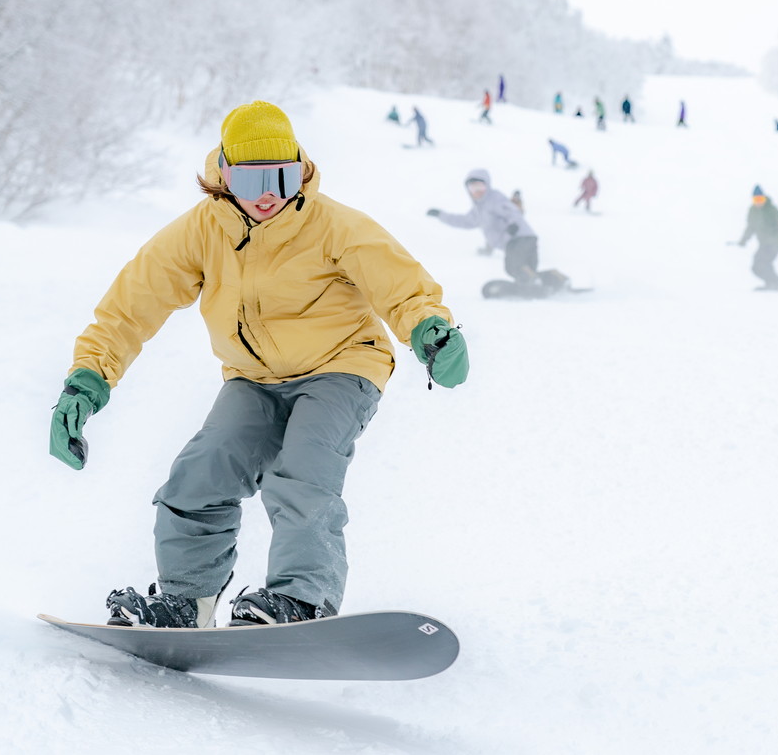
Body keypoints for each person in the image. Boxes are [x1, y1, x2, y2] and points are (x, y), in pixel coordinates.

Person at [48, 101, 469, 629]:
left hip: (342, 365)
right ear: (223, 176)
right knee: (200, 473)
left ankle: (300, 598)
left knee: (304, 471)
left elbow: (402, 287)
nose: (269, 193)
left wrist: (430, 330)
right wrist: (87, 381)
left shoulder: (334, 226)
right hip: (253, 378)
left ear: (301, 170)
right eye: (252, 181)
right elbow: (129, 309)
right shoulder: (199, 232)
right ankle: (186, 600)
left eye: (283, 176)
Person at [428, 169, 567, 294]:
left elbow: (511, 210)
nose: (477, 190)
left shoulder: (494, 198)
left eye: (480, 186)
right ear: (468, 190)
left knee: (513, 267)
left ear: (487, 185)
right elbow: (463, 221)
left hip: (517, 238)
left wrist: (513, 224)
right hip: (523, 239)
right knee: (525, 270)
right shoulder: (478, 211)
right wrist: (441, 215)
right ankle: (554, 279)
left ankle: (533, 284)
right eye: (473, 187)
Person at [729, 186, 778, 291]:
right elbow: (750, 227)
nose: (759, 202)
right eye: (756, 200)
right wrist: (743, 241)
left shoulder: (772, 210)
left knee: (762, 263)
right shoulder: (752, 211)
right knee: (756, 267)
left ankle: (777, 284)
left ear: (764, 198)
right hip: (764, 243)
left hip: (775, 242)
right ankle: (771, 284)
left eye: (761, 199)